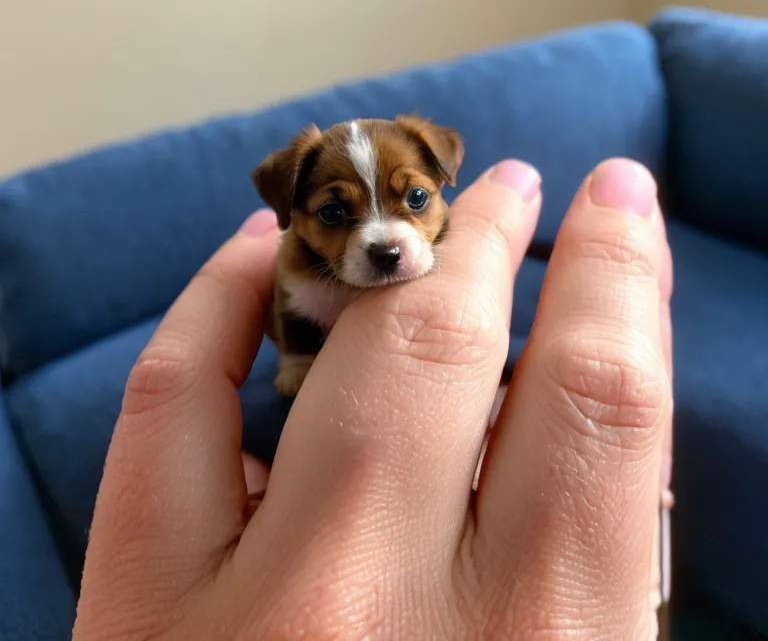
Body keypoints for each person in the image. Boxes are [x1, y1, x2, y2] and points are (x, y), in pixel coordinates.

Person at [73, 157, 673, 640]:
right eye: (337, 213)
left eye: (414, 199)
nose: (384, 237)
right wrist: (299, 361)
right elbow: (293, 320)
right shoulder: (301, 276)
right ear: (293, 211)